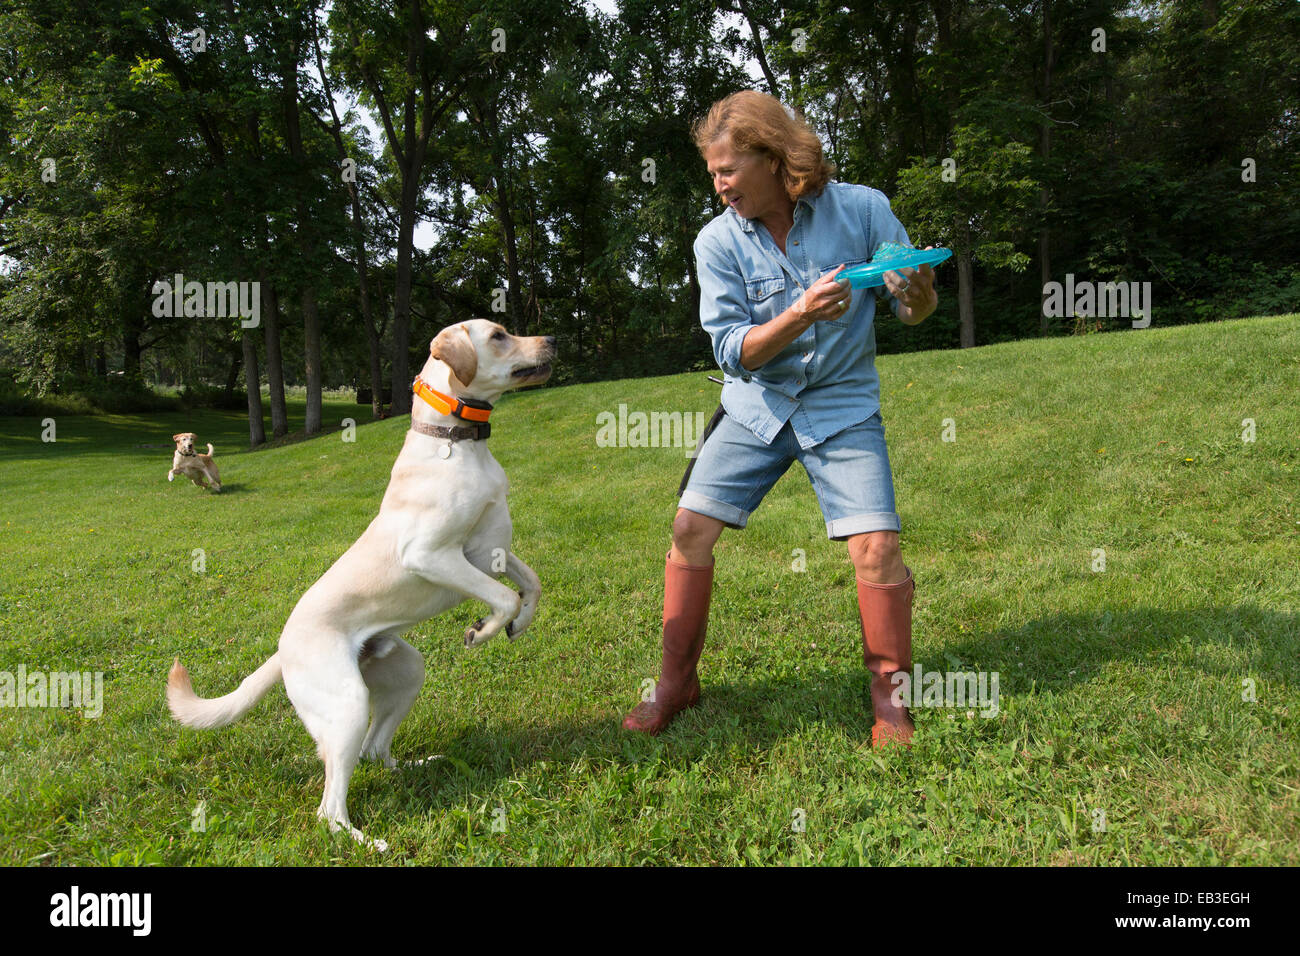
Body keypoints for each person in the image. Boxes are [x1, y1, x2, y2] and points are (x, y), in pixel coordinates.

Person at [621, 90, 939, 747]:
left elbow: (914, 311)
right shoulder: (716, 243)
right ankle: (676, 683)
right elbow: (734, 352)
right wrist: (798, 314)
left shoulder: (863, 209)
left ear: (773, 158)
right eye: (712, 172)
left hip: (842, 403)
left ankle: (891, 703)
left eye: (728, 169)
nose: (719, 185)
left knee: (877, 547)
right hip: (757, 404)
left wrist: (921, 292)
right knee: (688, 528)